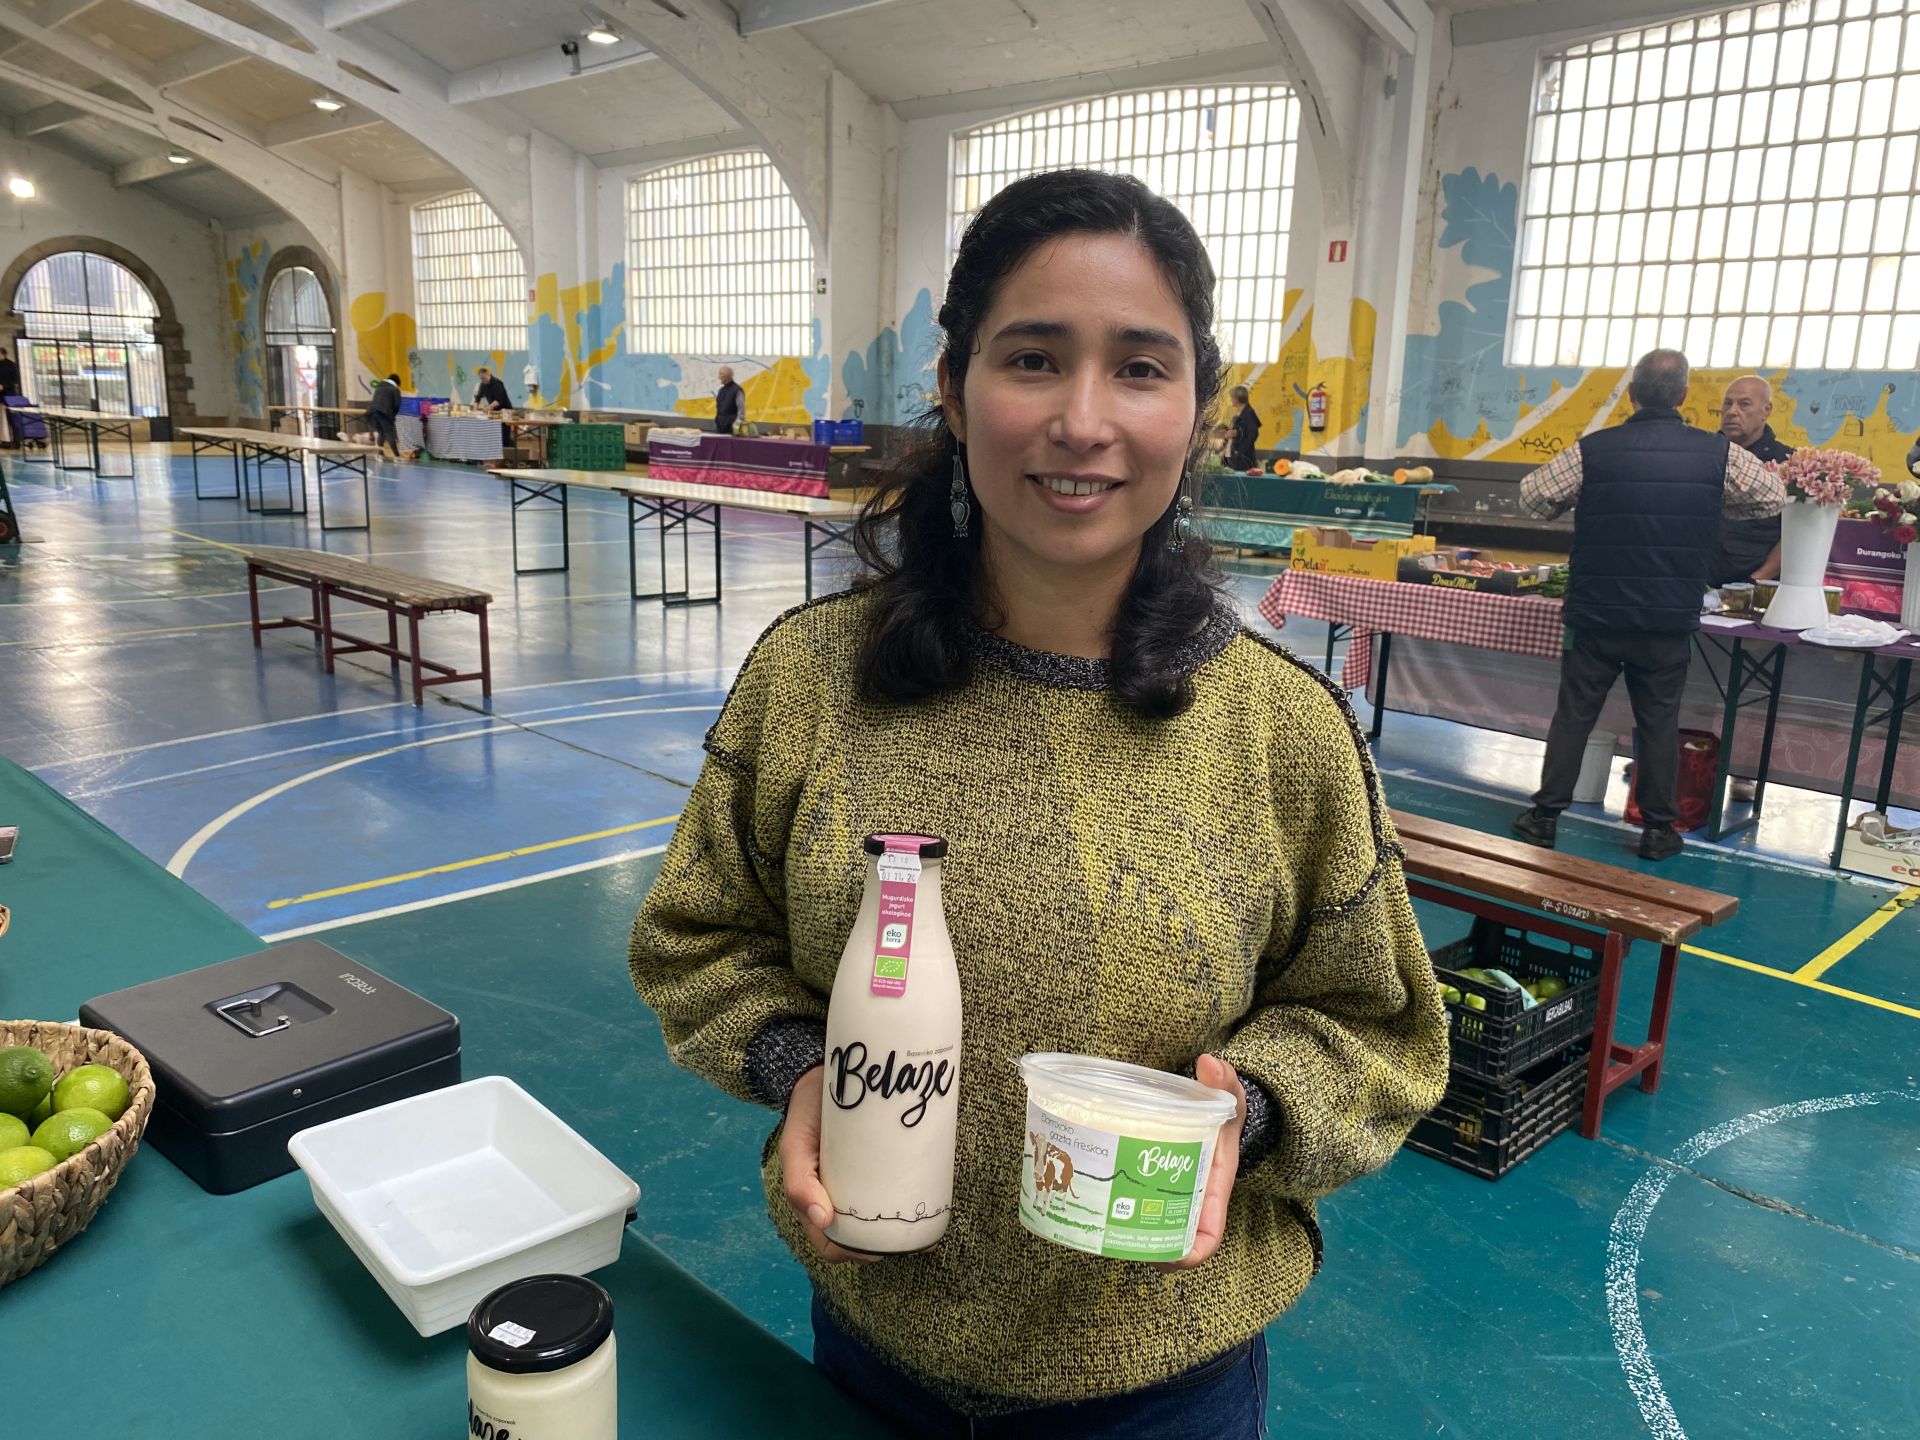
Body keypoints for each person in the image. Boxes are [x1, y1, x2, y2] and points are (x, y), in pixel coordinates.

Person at [627, 169, 1448, 1439]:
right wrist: (804, 1070)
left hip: (1165, 1388)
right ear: (954, 392)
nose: (1082, 420)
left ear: (1196, 410)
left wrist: (1253, 1109)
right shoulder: (810, 683)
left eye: (1138, 368)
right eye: (1031, 359)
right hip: (872, 1339)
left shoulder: (1283, 732)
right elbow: (700, 936)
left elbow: (1378, 1025)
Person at [1512, 350, 1785, 862]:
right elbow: (1772, 498)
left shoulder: (1593, 449)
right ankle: (1659, 830)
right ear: (1684, 397)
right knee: (1659, 719)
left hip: (1595, 613)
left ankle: (1545, 818)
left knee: (1574, 715)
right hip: (1667, 615)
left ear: (1632, 395)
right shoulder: (1716, 454)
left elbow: (1531, 498)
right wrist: (1709, 499)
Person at [1712, 375, 1791, 586]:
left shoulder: (1789, 464)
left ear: (1766, 410)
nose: (1731, 411)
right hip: (1698, 582)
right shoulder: (1702, 454)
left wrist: (1756, 581)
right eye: (1727, 403)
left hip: (1755, 584)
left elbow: (1794, 534)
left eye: (1744, 404)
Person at [362, 373, 401, 458]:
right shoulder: (394, 389)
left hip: (371, 413)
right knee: (390, 434)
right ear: (397, 383)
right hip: (384, 413)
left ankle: (380, 454)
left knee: (382, 433)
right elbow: (397, 405)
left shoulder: (379, 387)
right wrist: (392, 415)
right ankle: (397, 456)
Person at [1226, 384, 1260, 470]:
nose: (1231, 399)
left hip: (1244, 460)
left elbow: (1253, 434)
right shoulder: (1240, 414)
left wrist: (1240, 451)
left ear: (1238, 398)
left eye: (1232, 397)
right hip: (1237, 457)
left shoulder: (1249, 414)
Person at [714, 366, 744, 435]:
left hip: (732, 429)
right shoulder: (721, 390)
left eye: (720, 374)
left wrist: (737, 427)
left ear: (726, 376)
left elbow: (741, 410)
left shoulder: (737, 390)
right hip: (720, 427)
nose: (719, 377)